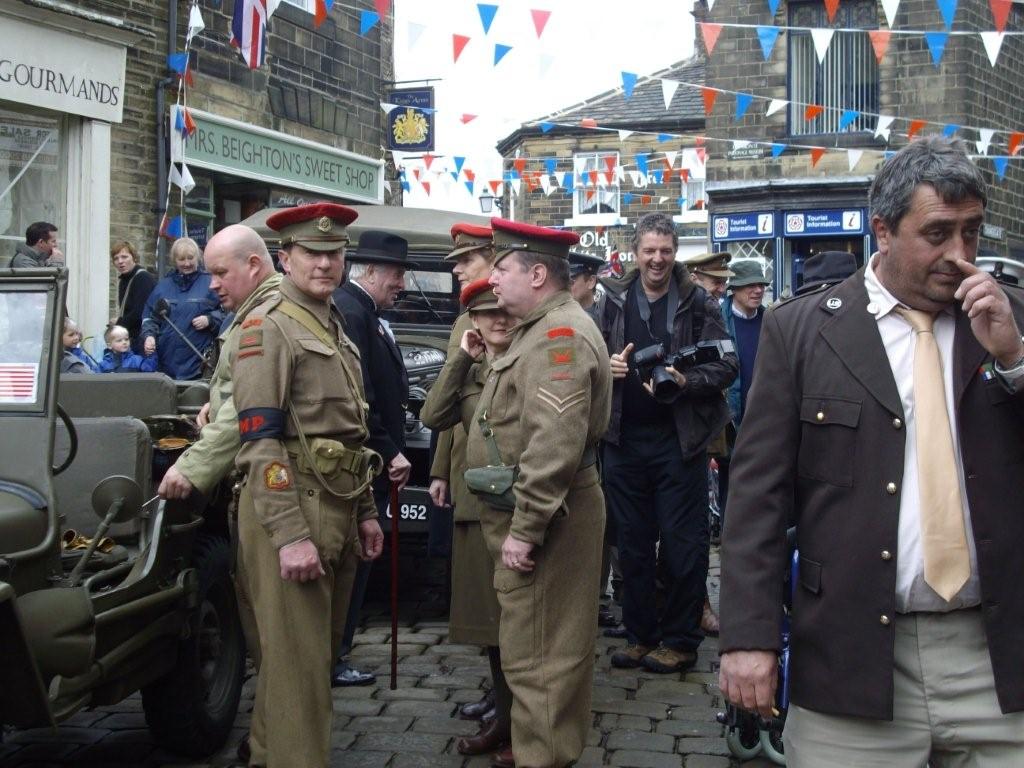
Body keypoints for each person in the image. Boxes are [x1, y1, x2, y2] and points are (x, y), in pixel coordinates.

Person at [719, 136, 1024, 766]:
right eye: (937, 233)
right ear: (882, 230)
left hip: (999, 657)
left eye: (970, 232)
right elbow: (758, 496)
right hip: (850, 655)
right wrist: (747, 637)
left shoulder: (1009, 320)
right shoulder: (801, 331)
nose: (959, 254)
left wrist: (1015, 360)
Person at [231, 202, 384, 768]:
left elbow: (349, 431)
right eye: (312, 253)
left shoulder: (331, 322)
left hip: (336, 502)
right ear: (285, 257)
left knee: (309, 660)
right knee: (298, 670)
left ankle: (267, 754)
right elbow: (260, 442)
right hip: (293, 506)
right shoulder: (268, 326)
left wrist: (366, 510)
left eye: (334, 253)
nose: (325, 263)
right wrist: (290, 535)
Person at [465, 217, 611, 768]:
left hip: (551, 517)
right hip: (543, 511)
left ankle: (543, 757)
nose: (493, 279)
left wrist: (526, 529)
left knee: (542, 660)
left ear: (538, 274)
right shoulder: (540, 328)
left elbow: (554, 442)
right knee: (535, 650)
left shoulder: (558, 336)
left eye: (502, 268)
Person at [156, 224, 281, 765]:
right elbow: (235, 393)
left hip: (269, 484)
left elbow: (248, 411)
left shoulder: (262, 318)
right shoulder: (253, 311)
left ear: (253, 266)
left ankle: (278, 744)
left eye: (219, 272)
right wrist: (215, 401)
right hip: (254, 476)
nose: (211, 285)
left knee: (275, 635)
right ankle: (272, 737)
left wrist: (193, 466)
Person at [597, 212, 737, 674]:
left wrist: (685, 380)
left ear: (675, 252)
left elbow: (727, 364)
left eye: (665, 251)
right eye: (649, 251)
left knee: (683, 547)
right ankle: (640, 635)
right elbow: (587, 356)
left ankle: (679, 640)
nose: (657, 259)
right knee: (632, 546)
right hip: (623, 439)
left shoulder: (698, 301)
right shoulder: (612, 300)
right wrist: (606, 367)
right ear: (635, 253)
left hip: (680, 442)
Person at [421, 277, 513, 758]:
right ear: (472, 320)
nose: (498, 320)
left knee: (521, 624)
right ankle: (505, 718)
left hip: (521, 509)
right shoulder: (470, 368)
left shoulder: (529, 361)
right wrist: (461, 359)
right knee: (490, 624)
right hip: (477, 506)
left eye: (504, 311)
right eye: (486, 314)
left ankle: (524, 724)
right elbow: (434, 417)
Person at [330, 229, 413, 688]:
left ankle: (338, 649)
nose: (401, 283)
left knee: (362, 556)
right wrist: (389, 449)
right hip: (365, 461)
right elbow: (361, 397)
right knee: (356, 557)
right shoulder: (352, 311)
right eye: (396, 274)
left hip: (374, 459)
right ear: (371, 271)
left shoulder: (368, 311)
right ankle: (335, 653)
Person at [140, 237, 222, 380]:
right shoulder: (162, 287)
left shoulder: (211, 283)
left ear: (198, 258)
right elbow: (149, 318)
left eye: (190, 258)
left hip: (200, 364)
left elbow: (228, 314)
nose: (187, 263)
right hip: (166, 364)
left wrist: (210, 319)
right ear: (174, 260)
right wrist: (149, 336)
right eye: (181, 259)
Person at [721, 260, 769, 430]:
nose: (758, 290)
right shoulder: (717, 322)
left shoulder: (772, 321)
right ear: (734, 289)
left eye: (761, 285)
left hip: (765, 417)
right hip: (729, 420)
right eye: (751, 285)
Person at [111, 241, 156, 353]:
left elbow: (139, 312)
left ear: (134, 257)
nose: (120, 261)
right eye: (116, 258)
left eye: (124, 257)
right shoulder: (125, 280)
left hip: (142, 340)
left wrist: (119, 323)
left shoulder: (142, 278)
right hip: (131, 338)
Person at [568, 249, 604, 322]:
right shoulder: (558, 316)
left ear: (591, 281)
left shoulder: (604, 321)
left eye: (571, 281)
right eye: (564, 280)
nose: (565, 286)